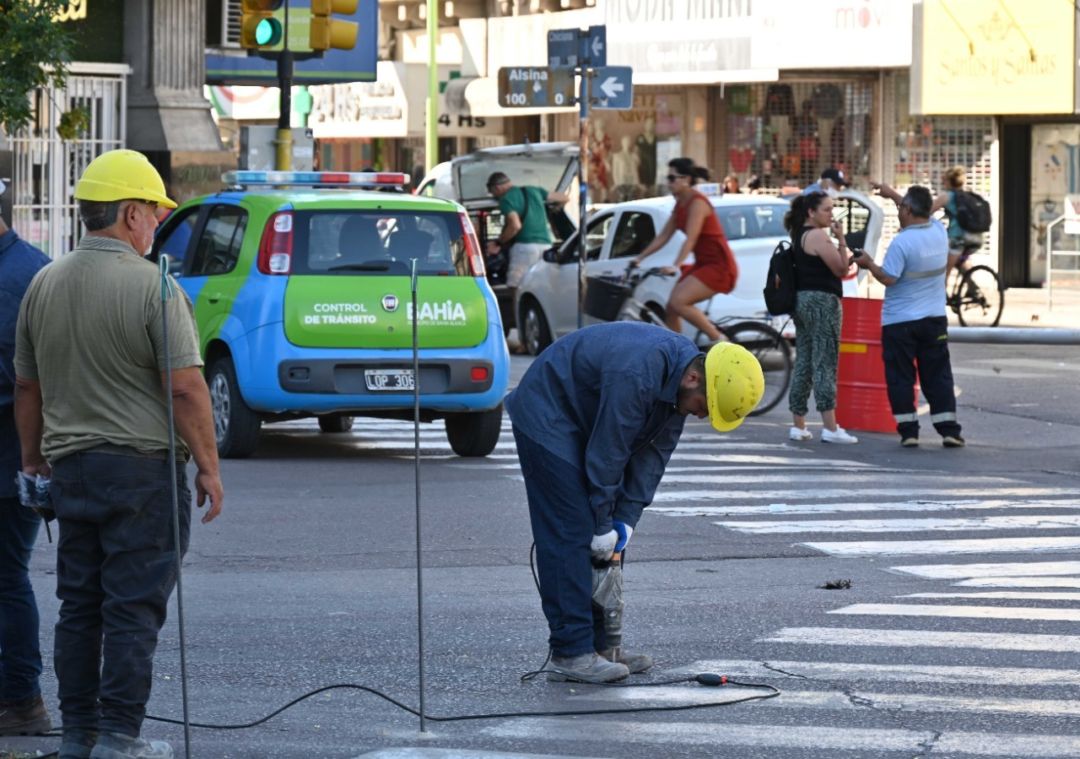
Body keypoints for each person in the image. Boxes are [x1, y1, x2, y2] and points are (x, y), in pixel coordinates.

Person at [14, 149, 225, 759]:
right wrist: (208, 468)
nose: (156, 225)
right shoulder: (155, 287)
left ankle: (78, 735)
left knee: (79, 606)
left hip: (70, 471)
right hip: (141, 473)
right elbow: (185, 387)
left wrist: (33, 461)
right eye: (154, 214)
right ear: (131, 213)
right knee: (133, 607)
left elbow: (28, 387)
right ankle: (118, 737)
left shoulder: (44, 283)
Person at [506, 323, 764, 683]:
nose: (702, 416)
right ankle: (571, 651)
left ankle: (603, 645)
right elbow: (609, 451)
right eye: (704, 407)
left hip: (586, 417)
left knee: (609, 535)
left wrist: (623, 521)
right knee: (572, 529)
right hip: (549, 413)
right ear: (692, 378)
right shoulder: (638, 372)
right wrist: (599, 524)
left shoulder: (679, 383)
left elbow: (653, 457)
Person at [0, 178, 53, 737]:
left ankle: (22, 699)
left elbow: (27, 379)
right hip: (18, 455)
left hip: (10, 459)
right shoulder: (31, 266)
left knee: (7, 578)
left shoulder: (20, 276)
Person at [854, 184, 964, 448]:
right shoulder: (938, 231)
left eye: (902, 207)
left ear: (909, 210)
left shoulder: (902, 242)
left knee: (901, 376)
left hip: (900, 322)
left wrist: (869, 264)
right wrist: (891, 194)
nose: (899, 210)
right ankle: (949, 429)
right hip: (934, 319)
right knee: (938, 375)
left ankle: (909, 432)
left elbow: (888, 278)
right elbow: (914, 206)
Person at [631, 158, 739, 344]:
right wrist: (639, 258)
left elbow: (691, 238)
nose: (668, 183)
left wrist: (676, 265)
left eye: (672, 178)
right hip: (702, 264)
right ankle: (679, 351)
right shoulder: (680, 204)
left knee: (679, 302)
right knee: (671, 310)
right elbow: (663, 236)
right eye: (668, 178)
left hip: (718, 265)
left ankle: (720, 340)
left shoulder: (698, 203)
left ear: (686, 179)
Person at [784, 192, 858, 445]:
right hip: (822, 302)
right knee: (825, 359)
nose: (831, 214)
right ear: (811, 213)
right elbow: (841, 268)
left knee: (804, 360)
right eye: (826, 209)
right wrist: (841, 238)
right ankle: (830, 426)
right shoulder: (817, 235)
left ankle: (798, 425)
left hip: (802, 301)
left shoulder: (799, 235)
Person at [485, 172, 568, 290]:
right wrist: (555, 209)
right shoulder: (533, 190)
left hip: (525, 248)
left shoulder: (506, 199)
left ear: (497, 188)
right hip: (546, 246)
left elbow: (515, 225)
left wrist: (499, 242)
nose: (495, 196)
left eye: (493, 193)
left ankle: (517, 308)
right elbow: (564, 198)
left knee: (516, 286)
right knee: (542, 286)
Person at [932, 166, 984, 285]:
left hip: (958, 238)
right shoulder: (969, 196)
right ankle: (974, 290)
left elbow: (926, 213)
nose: (943, 182)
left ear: (949, 181)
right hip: (976, 238)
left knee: (943, 271)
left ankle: (939, 300)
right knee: (961, 260)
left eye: (944, 180)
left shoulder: (947, 196)